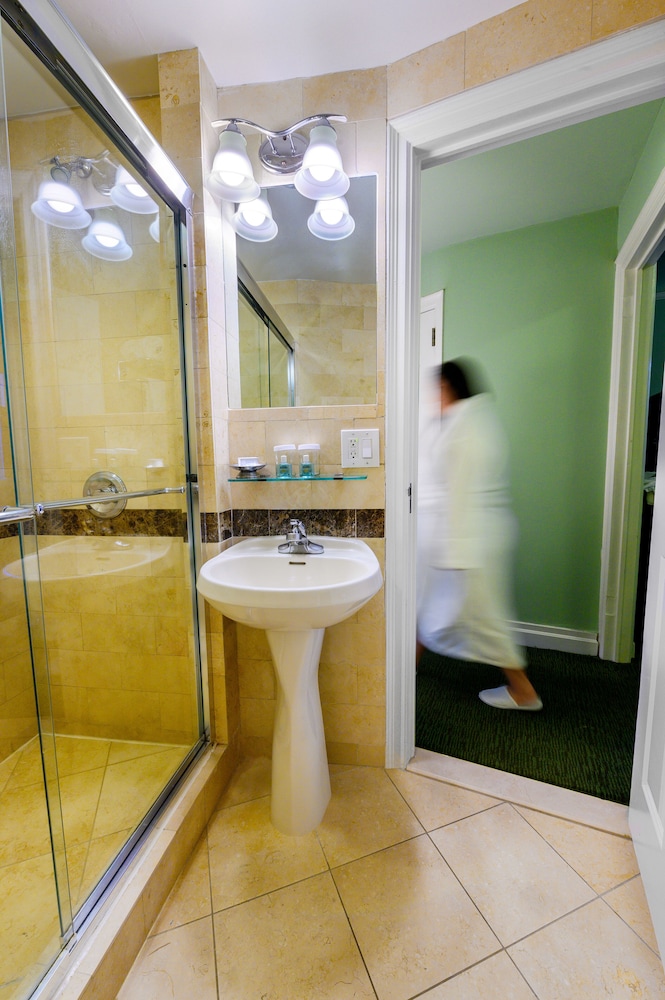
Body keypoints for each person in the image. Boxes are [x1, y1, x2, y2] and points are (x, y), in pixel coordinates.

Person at [416, 358, 542, 710]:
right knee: (427, 603)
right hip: (470, 532)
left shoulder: (465, 428)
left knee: (484, 615)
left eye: (435, 391)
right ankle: (407, 663)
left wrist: (454, 553)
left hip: (472, 538)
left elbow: (461, 493)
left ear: (446, 387)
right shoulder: (469, 420)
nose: (431, 399)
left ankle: (523, 692)